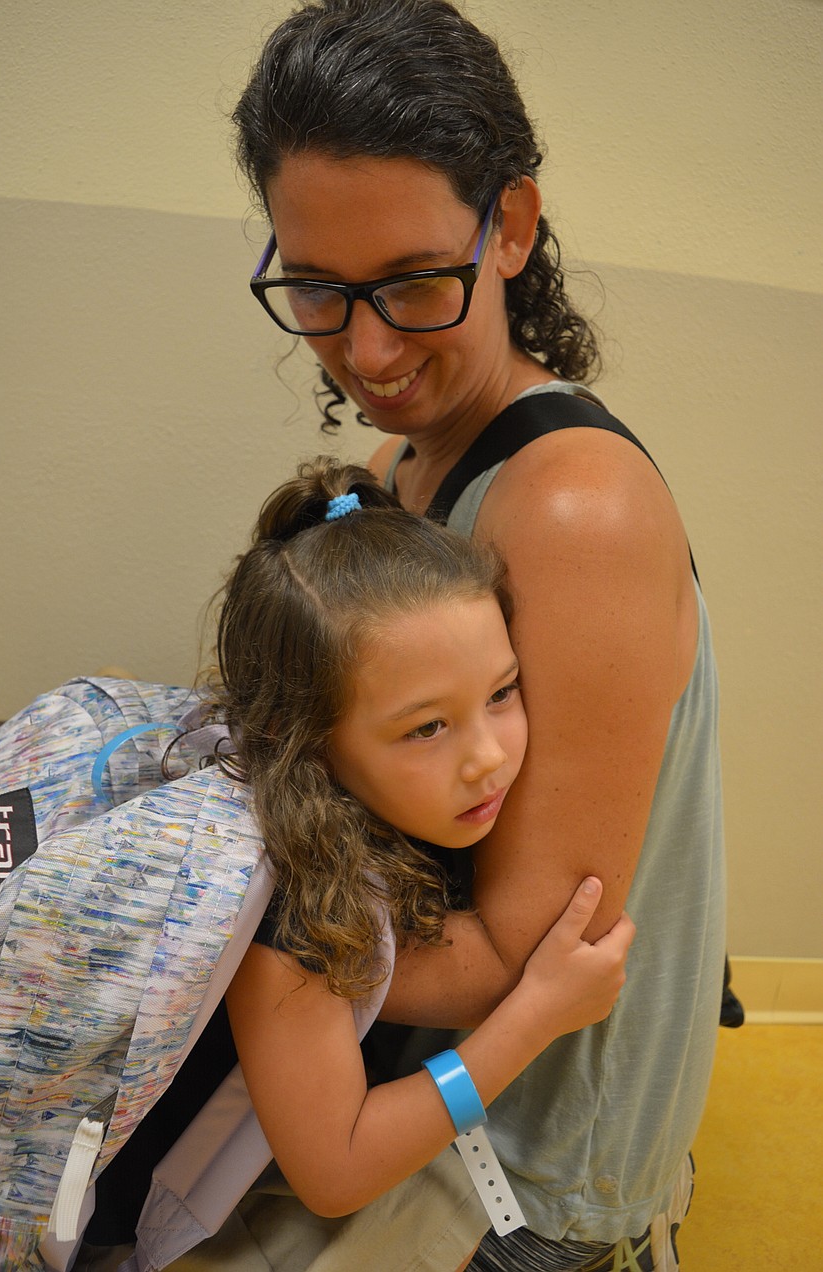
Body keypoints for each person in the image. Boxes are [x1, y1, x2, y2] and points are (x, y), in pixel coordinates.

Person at [229, 1, 727, 1269]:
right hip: (411, 1081)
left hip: (530, 1173)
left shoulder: (572, 508)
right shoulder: (400, 469)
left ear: (508, 225)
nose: (366, 350)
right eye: (318, 292)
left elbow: (523, 956)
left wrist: (223, 937)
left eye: (408, 283)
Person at [75, 458, 632, 1271]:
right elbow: (335, 1169)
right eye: (426, 729)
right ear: (310, 743)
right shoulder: (286, 904)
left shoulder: (339, 801)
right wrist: (534, 1016)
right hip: (106, 1224)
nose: (488, 758)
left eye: (503, 693)